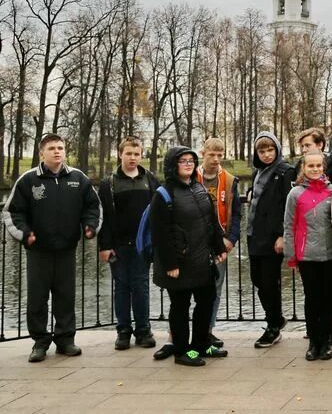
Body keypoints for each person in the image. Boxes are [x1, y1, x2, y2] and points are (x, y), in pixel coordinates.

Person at [4, 133, 100, 363]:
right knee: (37, 298)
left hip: (67, 249)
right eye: (52, 148)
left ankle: (65, 340)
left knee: (65, 297)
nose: (57, 152)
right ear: (41, 153)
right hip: (38, 251)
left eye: (60, 148)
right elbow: (11, 212)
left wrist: (90, 226)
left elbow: (93, 207)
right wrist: (25, 234)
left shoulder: (79, 178)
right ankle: (39, 342)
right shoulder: (28, 180)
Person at [150, 146, 227, 367]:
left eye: (191, 160)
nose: (188, 164)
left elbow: (210, 222)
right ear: (173, 165)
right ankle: (182, 350)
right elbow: (160, 234)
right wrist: (170, 263)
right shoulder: (164, 194)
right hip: (180, 263)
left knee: (206, 301)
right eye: (183, 160)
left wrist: (219, 247)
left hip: (202, 260)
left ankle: (201, 344)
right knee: (180, 307)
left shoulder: (198, 187)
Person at [97, 136, 161, 351]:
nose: (133, 158)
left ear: (141, 155)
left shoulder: (150, 180)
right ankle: (123, 331)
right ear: (120, 154)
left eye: (137, 153)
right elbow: (103, 217)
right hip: (119, 244)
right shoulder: (109, 183)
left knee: (141, 286)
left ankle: (143, 330)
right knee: (122, 287)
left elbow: (159, 212)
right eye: (129, 153)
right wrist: (104, 246)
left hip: (143, 244)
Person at [284, 151, 332, 361]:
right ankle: (313, 342)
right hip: (306, 255)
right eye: (311, 166)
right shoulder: (295, 194)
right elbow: (289, 225)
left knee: (327, 300)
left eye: (318, 166)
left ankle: (324, 342)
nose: (315, 169)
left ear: (323, 167)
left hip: (330, 254)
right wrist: (291, 255)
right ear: (303, 169)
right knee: (312, 299)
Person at [248, 131, 295, 349]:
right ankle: (276, 318)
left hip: (272, 236)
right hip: (254, 233)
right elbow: (258, 195)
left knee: (268, 281)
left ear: (277, 150)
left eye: (270, 150)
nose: (266, 154)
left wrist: (281, 235)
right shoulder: (259, 171)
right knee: (258, 280)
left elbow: (287, 205)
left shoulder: (284, 171)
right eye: (262, 150)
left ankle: (273, 326)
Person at [196, 137, 240, 349]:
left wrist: (230, 239)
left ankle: (208, 331)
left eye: (219, 155)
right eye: (211, 154)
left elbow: (237, 213)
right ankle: (178, 333)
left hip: (219, 242)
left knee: (215, 288)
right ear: (202, 153)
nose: (215, 159)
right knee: (188, 289)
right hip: (194, 243)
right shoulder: (190, 176)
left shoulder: (230, 180)